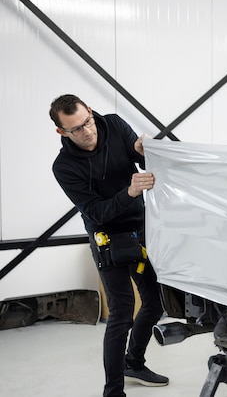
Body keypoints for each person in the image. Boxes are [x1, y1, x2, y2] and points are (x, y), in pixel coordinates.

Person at [50, 95, 168, 397]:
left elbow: (143, 160)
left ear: (90, 111)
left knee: (155, 303)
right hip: (106, 237)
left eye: (87, 121)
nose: (87, 131)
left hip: (140, 228)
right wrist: (129, 191)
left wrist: (145, 151)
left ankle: (134, 362)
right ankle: (113, 391)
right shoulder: (64, 167)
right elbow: (96, 212)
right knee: (121, 312)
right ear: (61, 132)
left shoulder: (114, 124)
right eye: (75, 129)